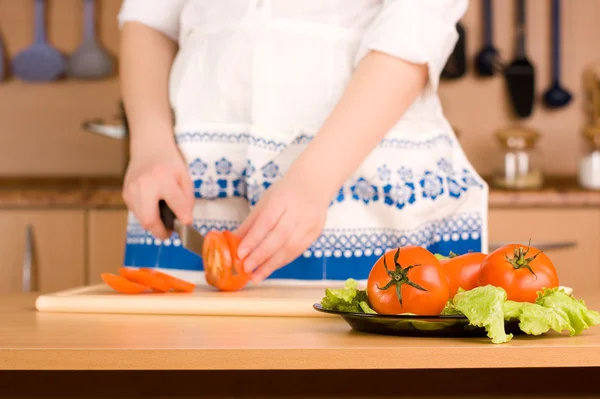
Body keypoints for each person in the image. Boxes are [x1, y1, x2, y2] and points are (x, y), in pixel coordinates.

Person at [118, 0, 487, 285]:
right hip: (189, 207)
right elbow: (148, 18)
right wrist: (150, 143)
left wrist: (315, 179)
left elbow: (417, 25)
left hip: (365, 207)